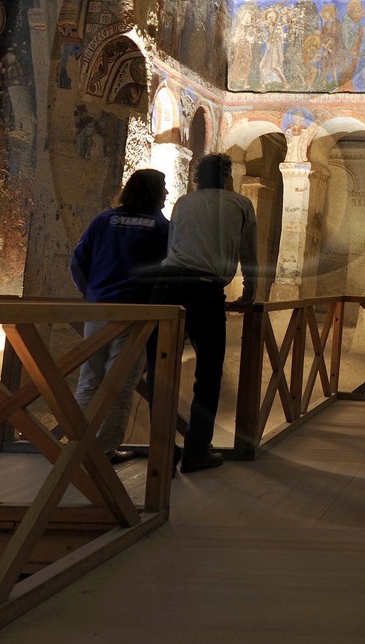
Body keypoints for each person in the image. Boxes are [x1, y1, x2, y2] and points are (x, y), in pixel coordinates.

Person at [151, 154, 259, 473]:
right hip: (205, 290)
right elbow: (249, 254)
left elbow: (173, 246)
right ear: (227, 176)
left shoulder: (183, 203)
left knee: (159, 370)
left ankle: (162, 450)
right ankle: (196, 449)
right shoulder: (240, 204)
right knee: (208, 374)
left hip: (167, 287)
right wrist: (249, 293)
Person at [70, 169, 171, 462]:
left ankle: (77, 446)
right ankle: (104, 450)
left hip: (99, 309)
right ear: (153, 192)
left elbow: (78, 262)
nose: (166, 194)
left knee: (89, 379)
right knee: (120, 383)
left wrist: (92, 294)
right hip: (136, 312)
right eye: (162, 188)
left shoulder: (103, 221)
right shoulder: (161, 228)